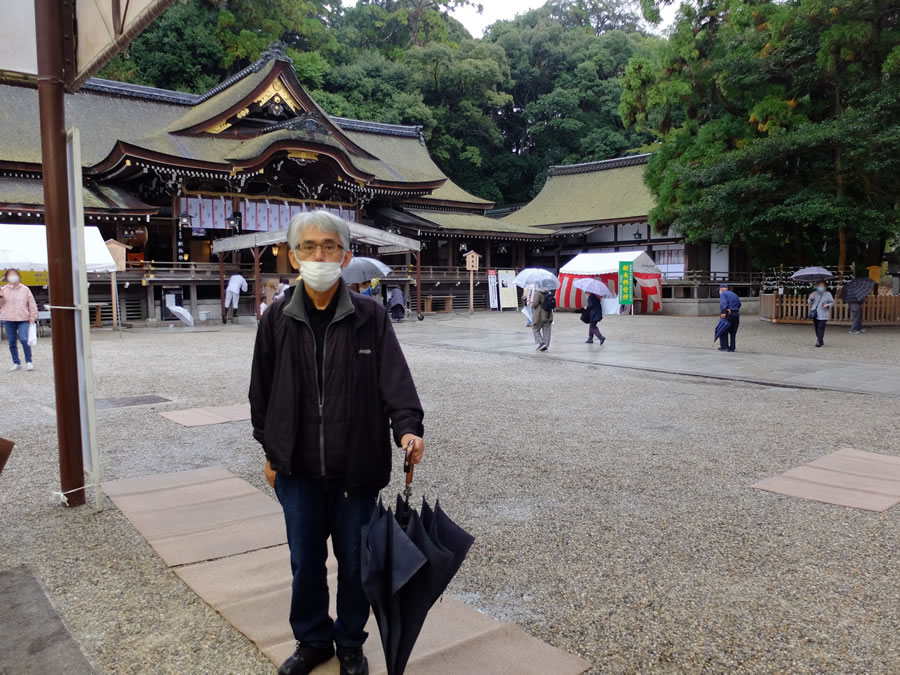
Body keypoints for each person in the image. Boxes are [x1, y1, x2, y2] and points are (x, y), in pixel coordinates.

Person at [249, 210, 424, 675]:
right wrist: (270, 450)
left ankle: (349, 640)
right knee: (305, 562)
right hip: (298, 469)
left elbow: (396, 385)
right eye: (308, 247)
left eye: (329, 246)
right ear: (291, 256)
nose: (319, 255)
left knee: (353, 563)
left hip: (356, 469)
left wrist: (407, 428)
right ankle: (312, 639)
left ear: (346, 256)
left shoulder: (370, 317)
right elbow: (260, 392)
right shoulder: (277, 320)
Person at [0, 269, 38, 372]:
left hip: (23, 318)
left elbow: (32, 304)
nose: (13, 276)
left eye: (14, 274)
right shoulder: (3, 289)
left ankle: (29, 361)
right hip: (8, 319)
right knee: (12, 342)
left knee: (24, 339)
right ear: (6, 278)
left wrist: (32, 316)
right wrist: (1, 297)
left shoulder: (25, 289)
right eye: (10, 275)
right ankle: (16, 362)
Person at [717, 283, 741, 352]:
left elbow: (723, 304)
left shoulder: (723, 294)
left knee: (723, 329)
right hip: (736, 314)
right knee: (733, 332)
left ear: (721, 289)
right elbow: (739, 304)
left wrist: (723, 312)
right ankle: (732, 347)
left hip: (728, 313)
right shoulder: (734, 294)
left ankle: (724, 346)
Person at [808, 283, 835, 347]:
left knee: (821, 327)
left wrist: (827, 305)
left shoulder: (828, 294)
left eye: (822, 286)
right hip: (815, 313)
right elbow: (809, 302)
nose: (820, 287)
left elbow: (832, 302)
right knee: (816, 327)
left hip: (823, 313)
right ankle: (820, 340)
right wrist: (811, 298)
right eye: (819, 286)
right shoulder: (814, 293)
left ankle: (819, 341)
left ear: (825, 287)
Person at [584, 279, 606, 345]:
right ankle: (590, 339)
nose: (586, 294)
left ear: (588, 293)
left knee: (593, 327)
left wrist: (586, 307)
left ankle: (601, 337)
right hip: (597, 314)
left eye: (586, 293)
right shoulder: (595, 296)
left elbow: (590, 306)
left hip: (594, 315)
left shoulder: (590, 297)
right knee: (591, 326)